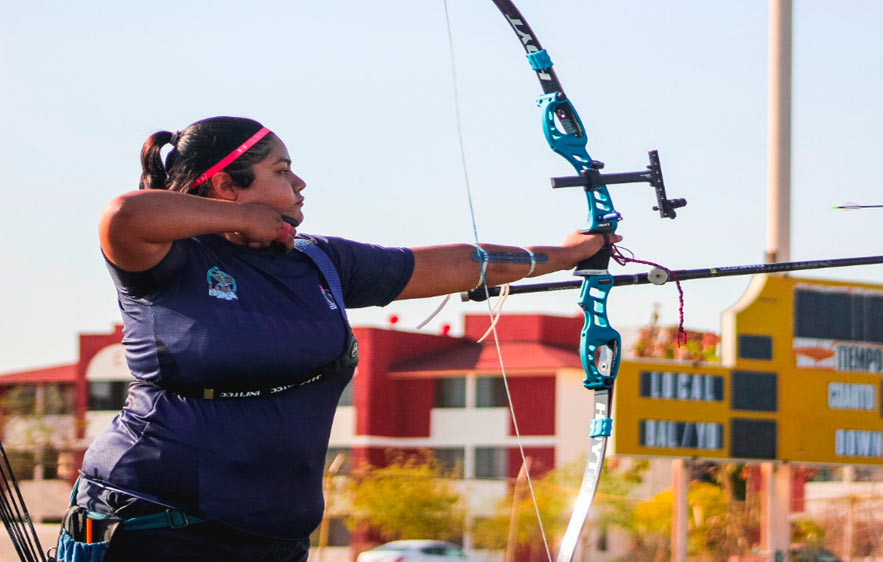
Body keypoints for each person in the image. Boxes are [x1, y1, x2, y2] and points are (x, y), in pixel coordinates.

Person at [60, 115, 612, 561]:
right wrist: (247, 223)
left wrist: (561, 256)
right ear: (228, 185)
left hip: (272, 539)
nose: (300, 184)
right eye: (282, 170)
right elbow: (124, 216)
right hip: (156, 525)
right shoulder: (167, 261)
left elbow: (454, 264)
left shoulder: (318, 260)